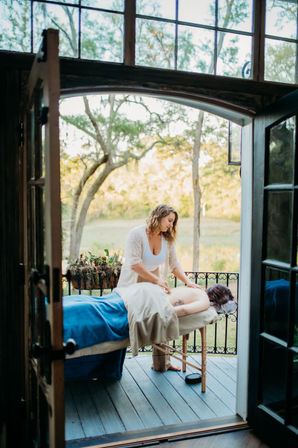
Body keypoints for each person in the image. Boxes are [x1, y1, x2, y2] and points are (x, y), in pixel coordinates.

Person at [117, 204, 203, 370]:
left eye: (173, 222)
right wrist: (156, 281)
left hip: (154, 283)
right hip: (132, 283)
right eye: (169, 220)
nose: (171, 225)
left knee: (161, 318)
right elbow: (134, 263)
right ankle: (116, 365)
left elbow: (174, 264)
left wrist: (188, 282)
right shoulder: (136, 234)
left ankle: (162, 364)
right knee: (125, 322)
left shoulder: (166, 239)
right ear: (158, 216)